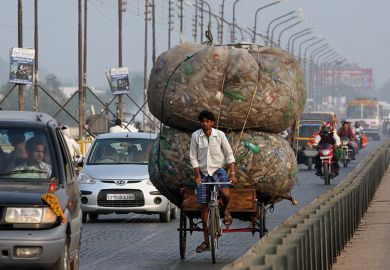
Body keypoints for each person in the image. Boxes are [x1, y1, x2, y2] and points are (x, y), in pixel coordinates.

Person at [189, 110, 237, 253]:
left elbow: (229, 155)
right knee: (204, 206)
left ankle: (226, 210)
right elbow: (193, 157)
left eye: (207, 121)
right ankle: (205, 241)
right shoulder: (196, 136)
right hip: (203, 173)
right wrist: (197, 176)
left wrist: (233, 174)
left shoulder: (220, 135)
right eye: (202, 121)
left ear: (212, 123)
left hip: (217, 171)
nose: (205, 124)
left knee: (225, 192)